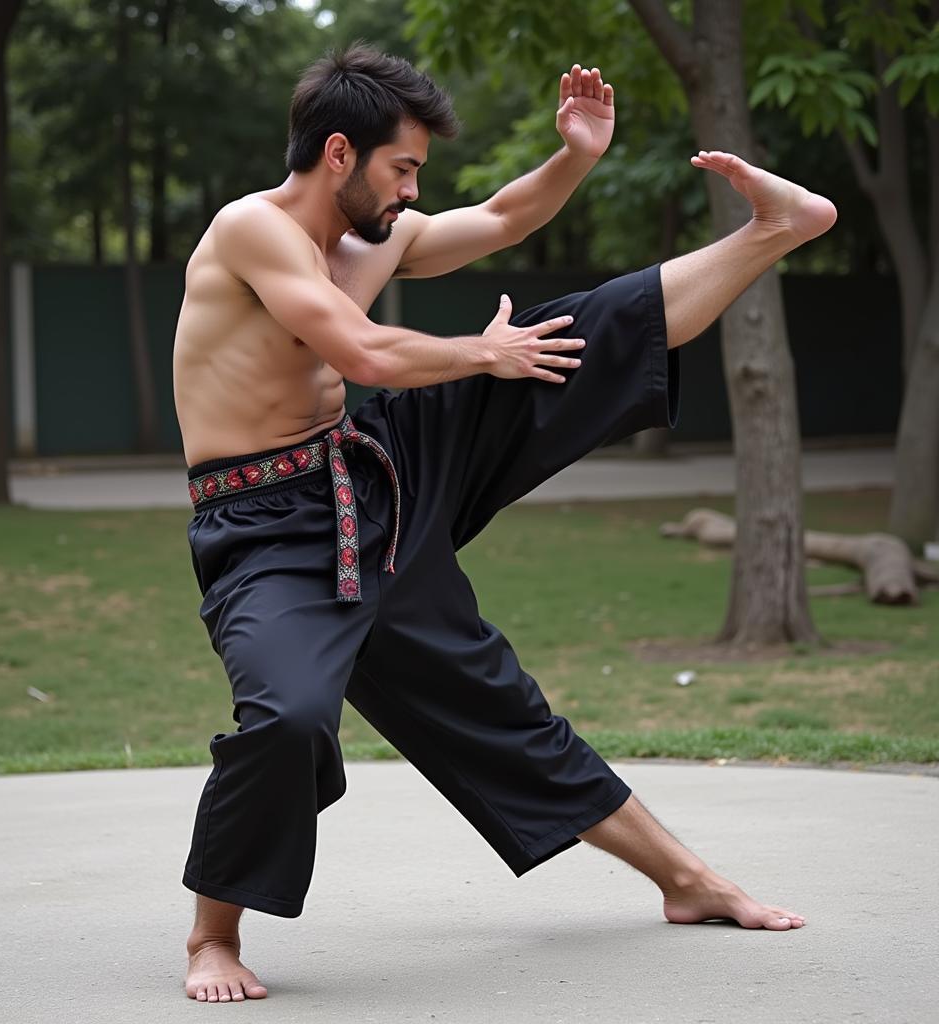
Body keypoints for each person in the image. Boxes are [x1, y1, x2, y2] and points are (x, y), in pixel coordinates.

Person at [172, 45, 835, 1003]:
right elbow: (359, 346)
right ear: (339, 154)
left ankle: (774, 230)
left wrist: (575, 155)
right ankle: (211, 937)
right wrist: (478, 353)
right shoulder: (252, 230)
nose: (412, 193)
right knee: (289, 718)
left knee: (564, 341)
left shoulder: (374, 236)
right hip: (265, 522)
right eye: (403, 169)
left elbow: (500, 218)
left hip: (372, 463)